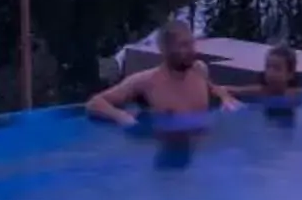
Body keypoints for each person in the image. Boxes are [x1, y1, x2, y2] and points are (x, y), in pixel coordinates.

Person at [87, 18, 241, 130]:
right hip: (168, 152)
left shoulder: (199, 69)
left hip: (200, 149)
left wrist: (225, 98)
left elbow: (212, 87)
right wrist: (120, 116)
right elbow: (95, 103)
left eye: (191, 43)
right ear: (165, 49)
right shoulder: (146, 81)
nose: (191, 50)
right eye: (183, 45)